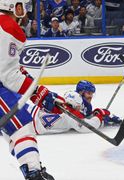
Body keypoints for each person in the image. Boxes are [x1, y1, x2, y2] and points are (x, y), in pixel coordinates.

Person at [0, 1, 66, 179]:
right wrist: (37, 93)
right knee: (21, 126)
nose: (27, 10)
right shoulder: (7, 26)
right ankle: (33, 173)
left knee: (14, 126)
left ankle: (32, 170)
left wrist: (40, 92)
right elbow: (8, 76)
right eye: (23, 5)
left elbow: (13, 69)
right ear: (16, 7)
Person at [31, 80, 123, 135]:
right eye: (89, 93)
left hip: (32, 116)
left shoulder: (68, 107)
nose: (91, 96)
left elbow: (83, 118)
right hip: (30, 123)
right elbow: (87, 126)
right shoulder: (71, 115)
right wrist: (99, 117)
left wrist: (101, 118)